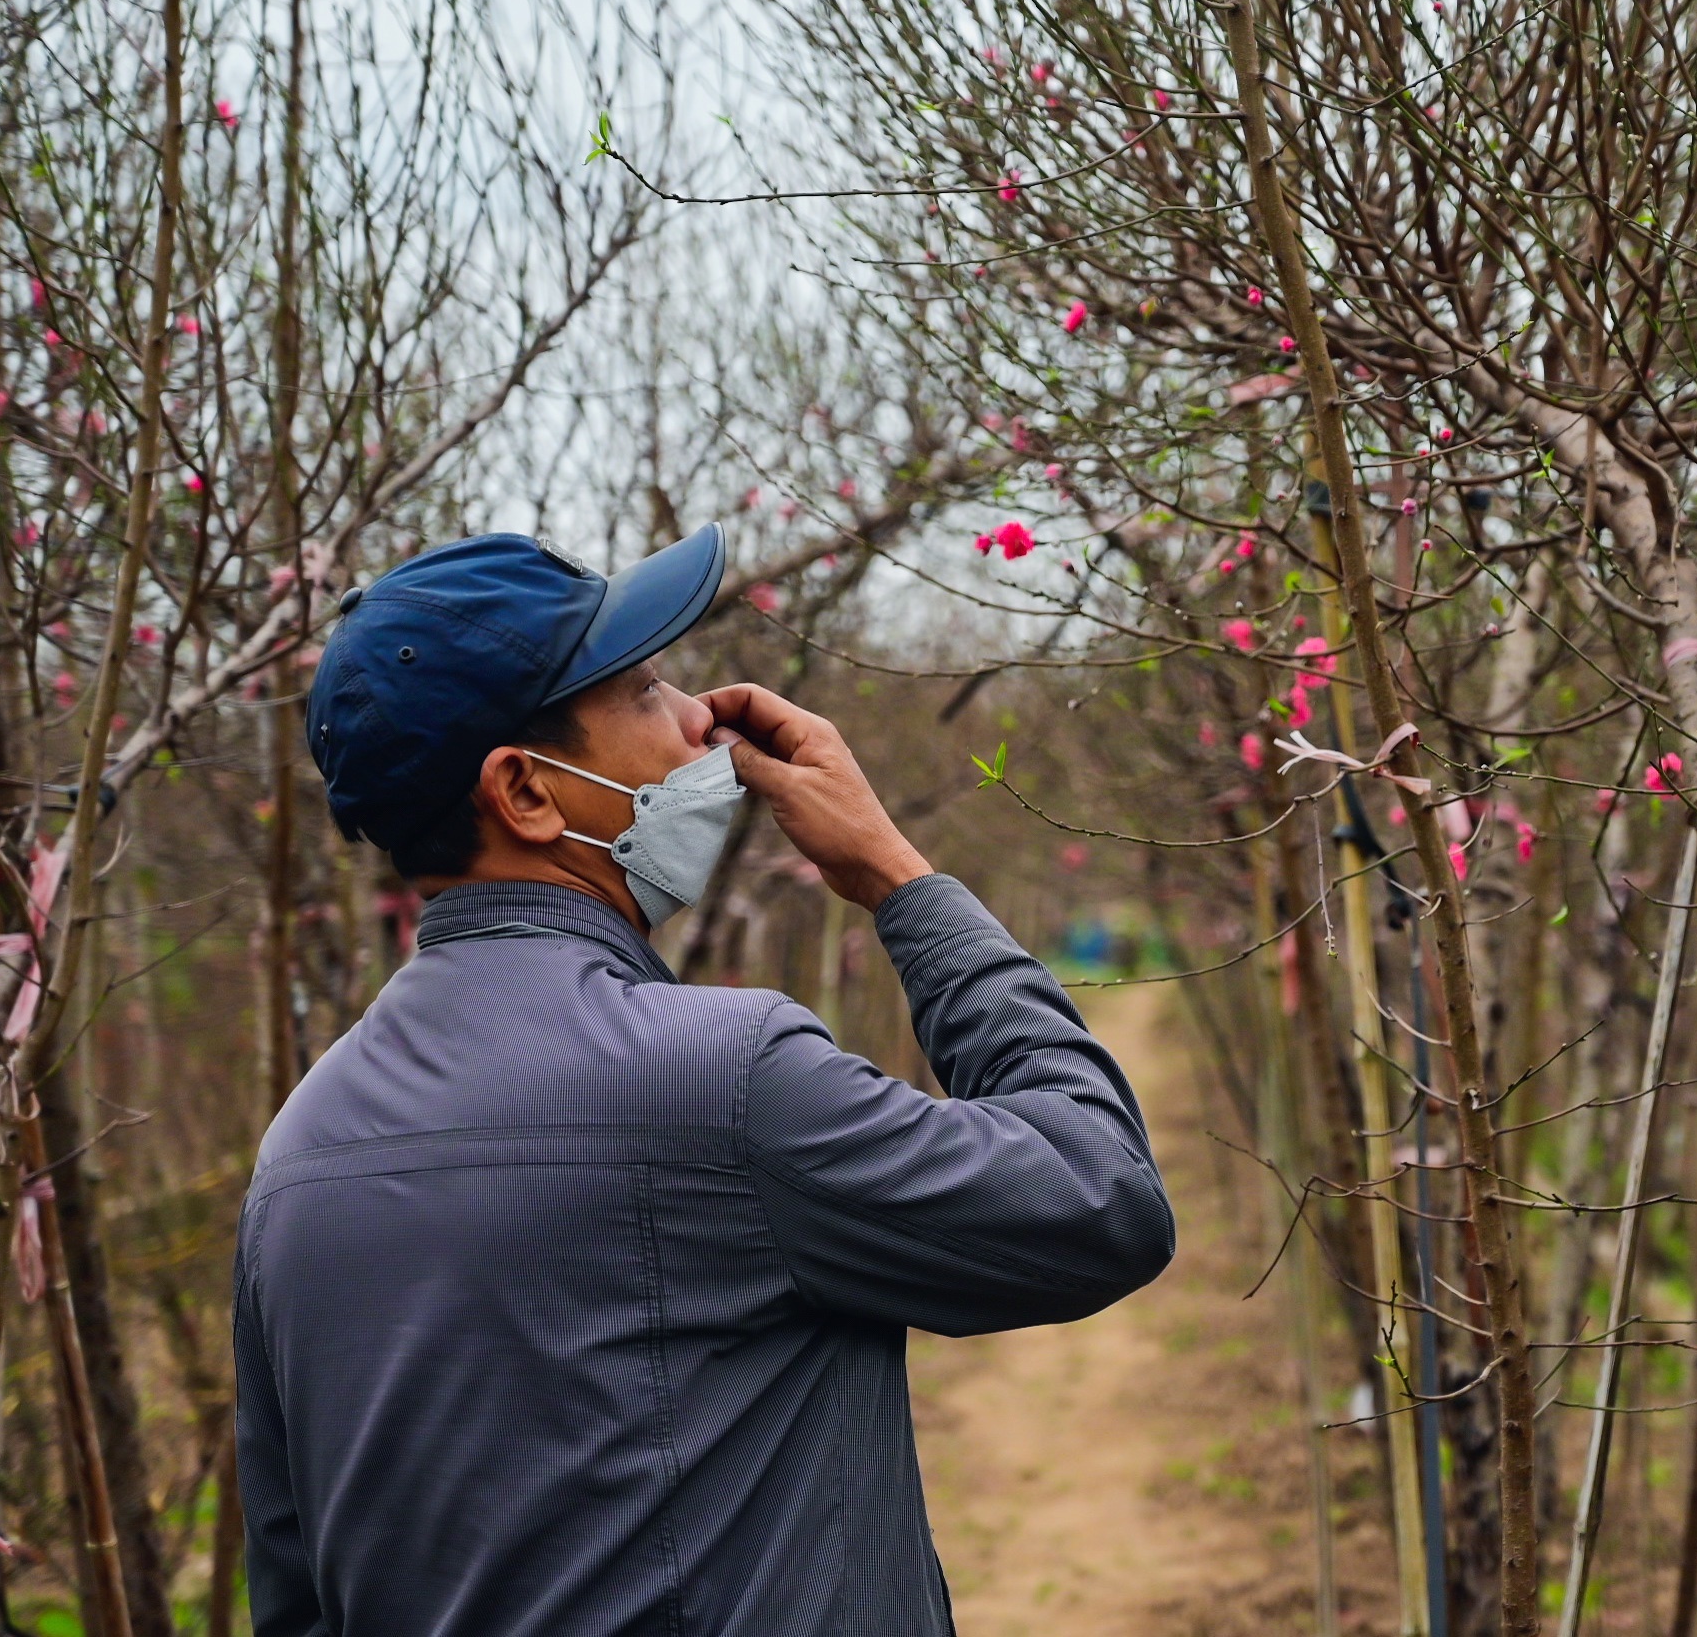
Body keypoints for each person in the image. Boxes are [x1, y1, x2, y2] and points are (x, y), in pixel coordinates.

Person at [235, 527, 1175, 1636]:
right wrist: (900, 882)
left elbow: (295, 1590)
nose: (699, 720)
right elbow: (1096, 1200)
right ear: (527, 792)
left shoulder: (296, 1156)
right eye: (641, 689)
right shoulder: (723, 1081)